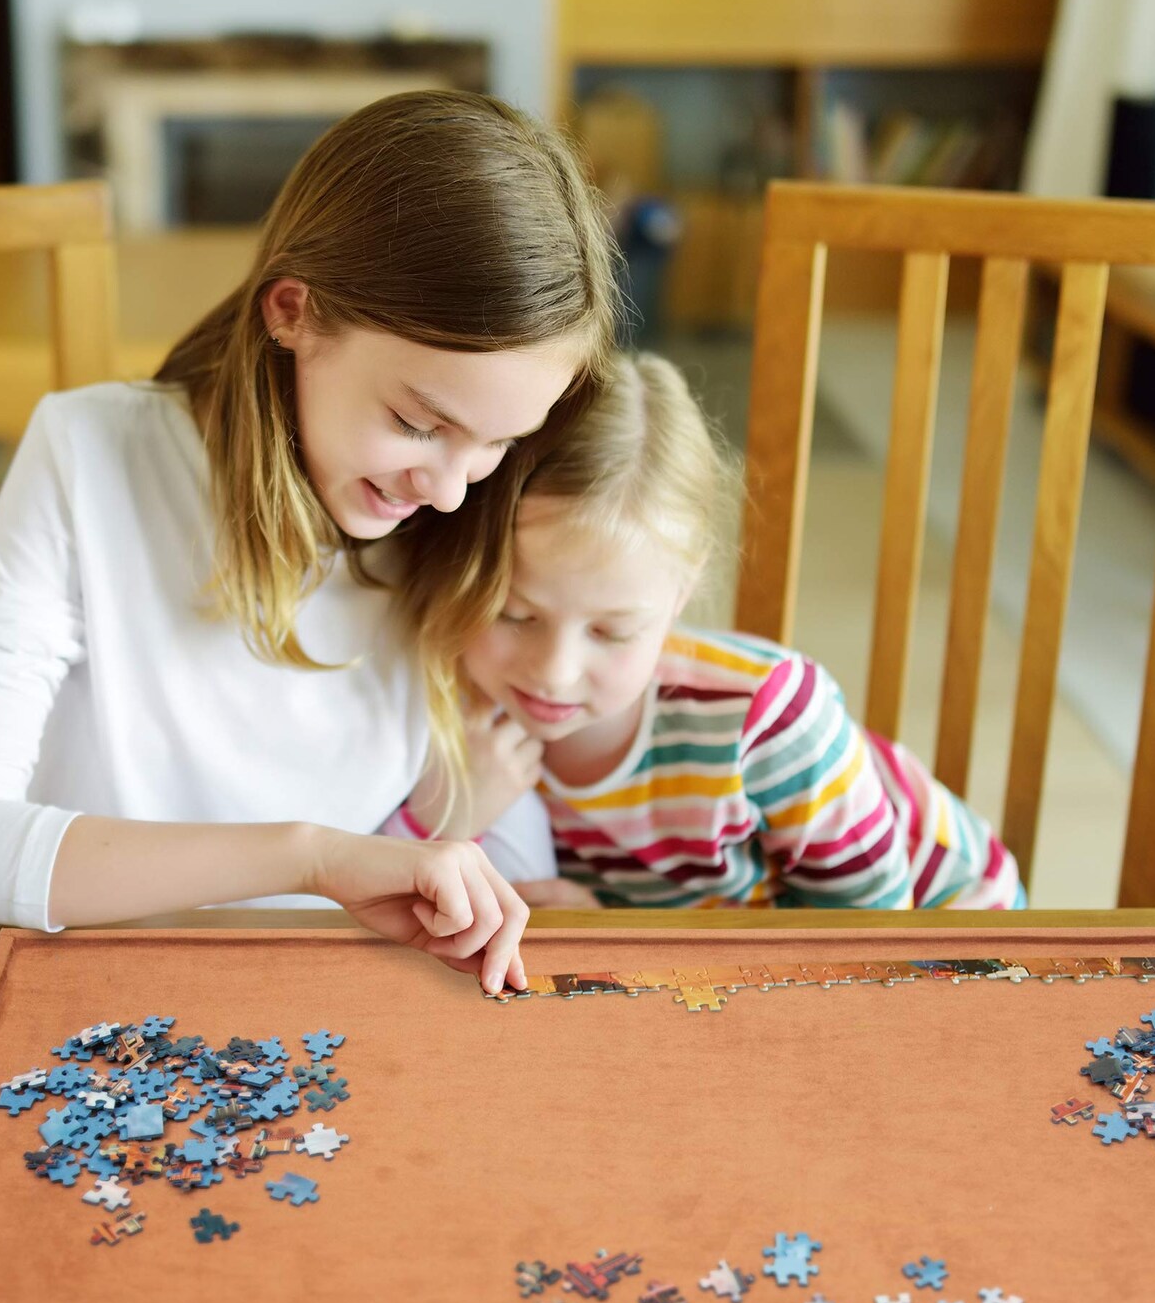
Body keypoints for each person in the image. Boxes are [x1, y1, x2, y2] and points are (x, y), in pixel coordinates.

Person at [0, 91, 621, 995]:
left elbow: (552, 715)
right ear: (293, 311)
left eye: (500, 443)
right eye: (416, 421)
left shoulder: (471, 515)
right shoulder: (89, 457)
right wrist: (310, 859)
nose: (448, 489)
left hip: (333, 1009)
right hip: (86, 999)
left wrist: (487, 855)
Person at [401, 352, 1026, 911]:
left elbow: (866, 943)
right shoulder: (457, 714)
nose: (554, 670)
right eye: (515, 615)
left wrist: (612, 934)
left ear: (681, 590)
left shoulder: (769, 716)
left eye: (613, 631)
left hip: (949, 928)